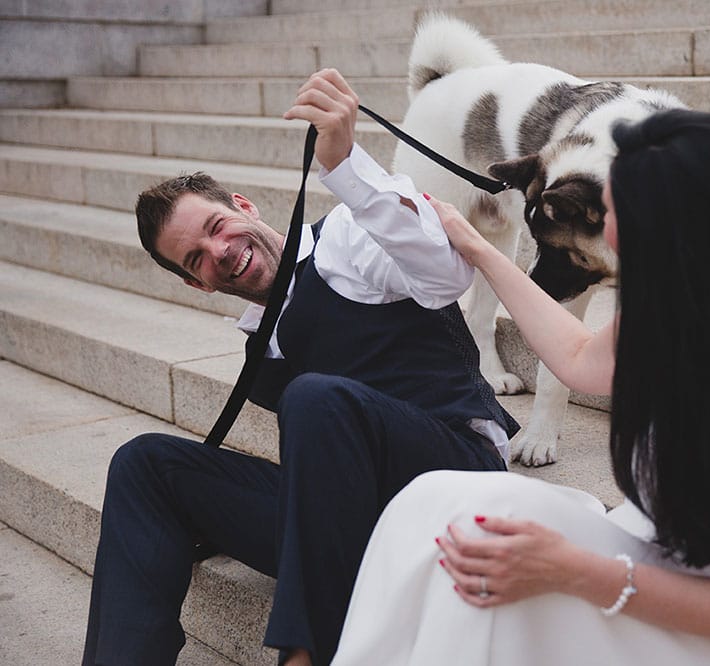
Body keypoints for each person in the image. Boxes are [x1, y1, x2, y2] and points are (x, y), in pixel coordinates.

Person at [330, 109, 710, 665]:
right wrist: (479, 249)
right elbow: (579, 356)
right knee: (431, 501)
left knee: (485, 587)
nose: (605, 226)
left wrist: (566, 569)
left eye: (619, 210)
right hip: (643, 558)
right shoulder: (677, 305)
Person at [81, 69, 517, 666]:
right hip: (350, 520)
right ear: (195, 284)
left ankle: (306, 656)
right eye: (196, 259)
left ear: (243, 205)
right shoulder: (259, 347)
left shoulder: (349, 240)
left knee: (313, 397)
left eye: (216, 227)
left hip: (453, 476)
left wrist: (345, 165)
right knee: (144, 463)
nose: (221, 252)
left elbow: (445, 275)